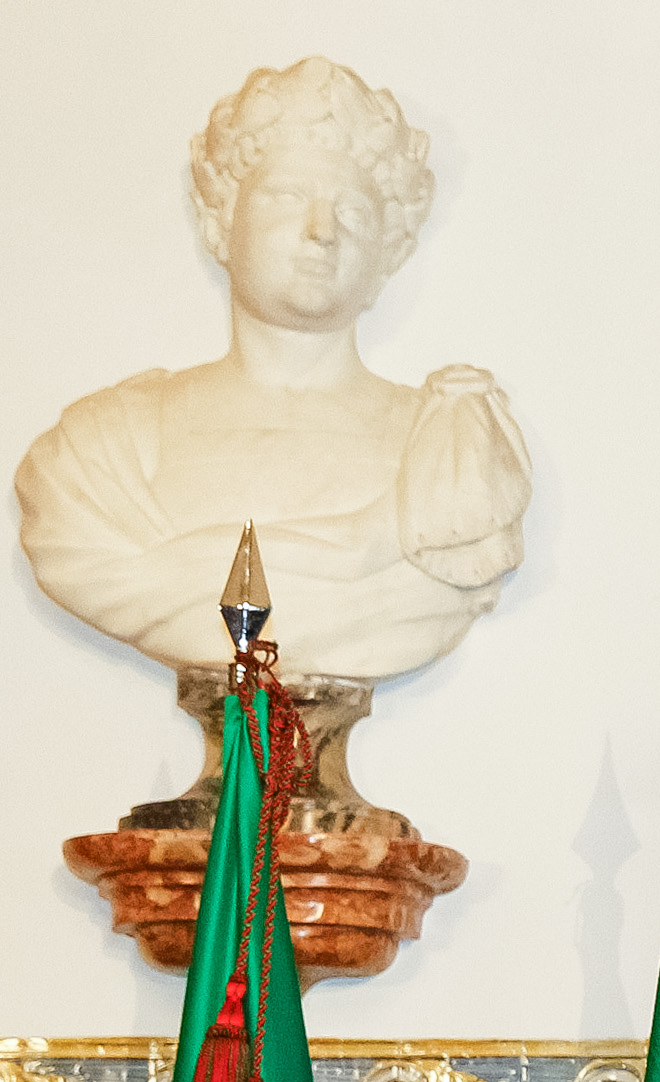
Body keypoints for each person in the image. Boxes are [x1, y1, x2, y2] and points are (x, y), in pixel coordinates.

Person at [15, 56, 530, 685]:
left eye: (353, 210)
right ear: (220, 221)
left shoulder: (449, 450)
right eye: (287, 196)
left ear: (389, 250)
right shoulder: (100, 450)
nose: (321, 231)